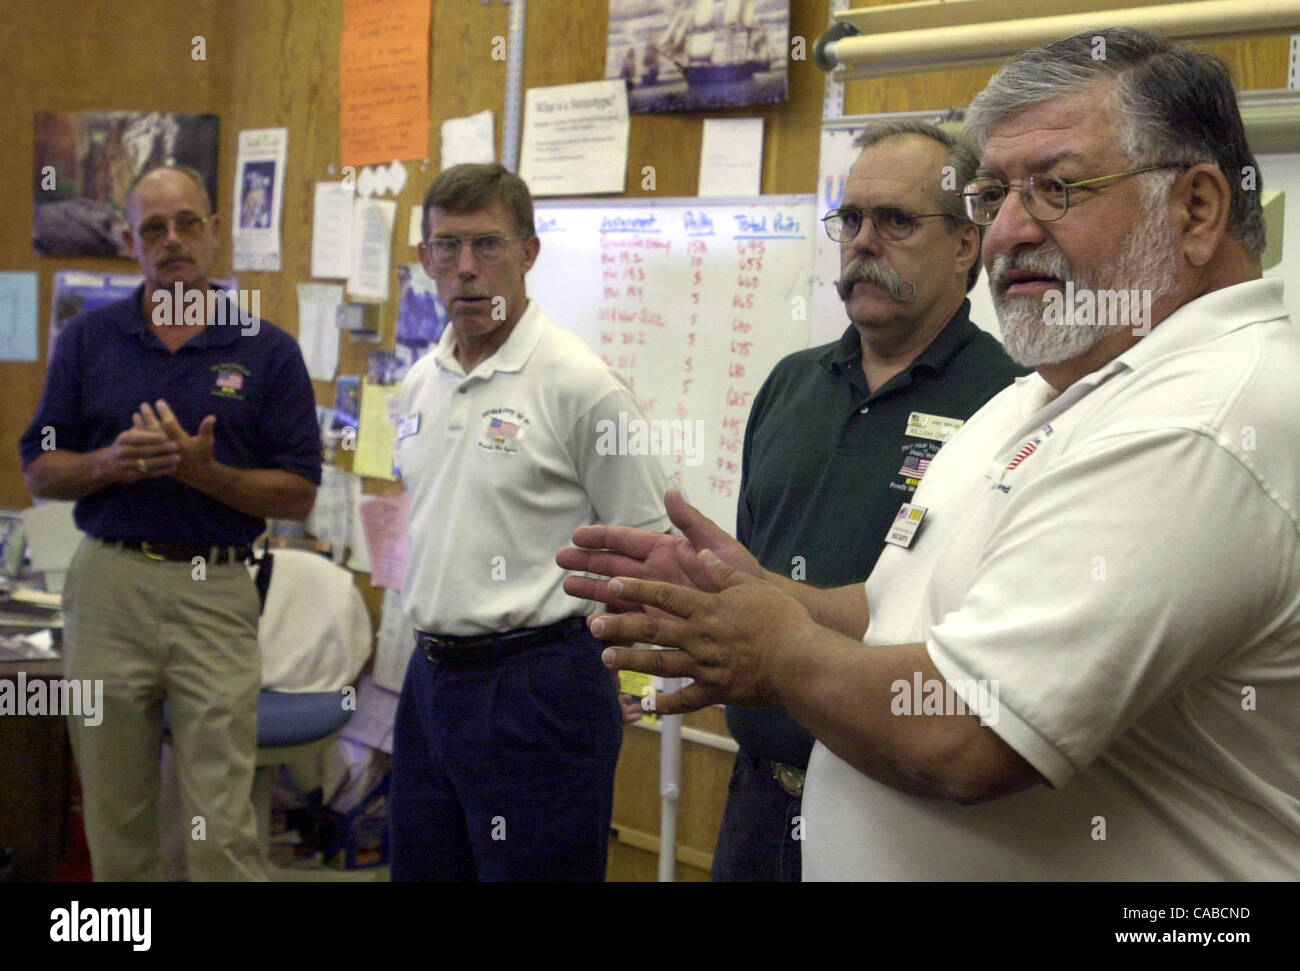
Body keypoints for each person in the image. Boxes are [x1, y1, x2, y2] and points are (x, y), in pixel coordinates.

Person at [559, 27, 1300, 879]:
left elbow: (968, 733)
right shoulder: (1053, 387)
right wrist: (753, 595)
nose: (1009, 230)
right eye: (994, 194)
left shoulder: (1202, 419)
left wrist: (773, 649)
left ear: (1196, 208)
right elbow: (896, 613)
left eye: (1056, 187)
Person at [715, 120, 1025, 882]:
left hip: (898, 815)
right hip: (755, 801)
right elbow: (752, 576)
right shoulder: (789, 385)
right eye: (850, 219)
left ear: (964, 244)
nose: (861, 241)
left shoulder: (1013, 401)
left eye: (894, 221)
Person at [19, 164, 321, 881]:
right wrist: (111, 463)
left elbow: (300, 492)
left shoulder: (266, 348)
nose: (173, 240)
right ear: (131, 242)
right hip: (108, 587)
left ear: (216, 232)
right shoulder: (89, 339)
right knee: (117, 817)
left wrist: (204, 472)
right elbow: (40, 468)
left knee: (220, 824)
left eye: (188, 223)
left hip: (214, 590)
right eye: (154, 228)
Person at [391, 163, 670, 881]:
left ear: (528, 253)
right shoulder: (421, 380)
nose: (466, 268)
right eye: (446, 248)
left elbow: (650, 546)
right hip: (429, 683)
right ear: (425, 259)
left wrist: (634, 680)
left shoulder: (579, 384)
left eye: (488, 245)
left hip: (538, 690)